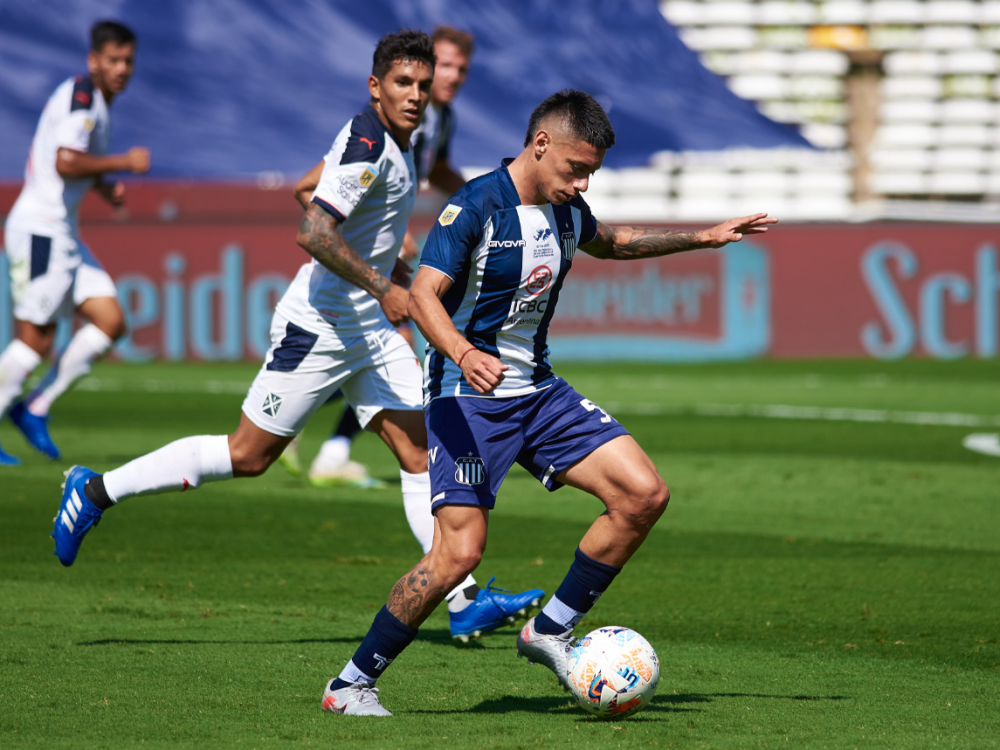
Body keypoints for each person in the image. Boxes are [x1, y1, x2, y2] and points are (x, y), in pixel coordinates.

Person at [51, 29, 542, 644]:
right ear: (376, 87)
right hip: (321, 327)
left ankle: (463, 599)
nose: (416, 94)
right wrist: (384, 283)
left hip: (368, 329)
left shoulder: (400, 139)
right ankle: (95, 490)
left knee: (421, 453)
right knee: (248, 456)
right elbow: (312, 230)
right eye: (403, 83)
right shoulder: (368, 143)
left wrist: (386, 253)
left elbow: (306, 187)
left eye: (422, 83)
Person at [319, 89, 778, 716]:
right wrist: (462, 352)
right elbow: (423, 295)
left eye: (591, 172)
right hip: (467, 396)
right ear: (541, 144)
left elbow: (612, 240)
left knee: (643, 495)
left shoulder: (566, 209)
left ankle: (550, 629)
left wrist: (703, 236)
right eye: (576, 168)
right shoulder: (475, 206)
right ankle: (350, 685)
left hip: (538, 392)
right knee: (458, 554)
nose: (583, 183)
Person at [284, 26, 475, 489]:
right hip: (355, 282)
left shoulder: (440, 120)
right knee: (399, 362)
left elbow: (438, 170)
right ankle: (312, 433)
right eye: (445, 66)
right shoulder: (387, 127)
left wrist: (483, 198)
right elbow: (308, 188)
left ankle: (326, 445)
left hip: (375, 279)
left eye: (460, 69)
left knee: (390, 368)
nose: (451, 77)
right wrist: (387, 234)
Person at [0, 20, 149, 464]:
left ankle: (35, 407)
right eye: (113, 60)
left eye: (128, 61)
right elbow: (65, 161)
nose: (122, 69)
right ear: (93, 60)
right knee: (36, 341)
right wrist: (124, 162)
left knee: (110, 320)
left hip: (62, 233)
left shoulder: (96, 102)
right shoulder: (82, 97)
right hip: (41, 231)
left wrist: (103, 186)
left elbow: (72, 160)